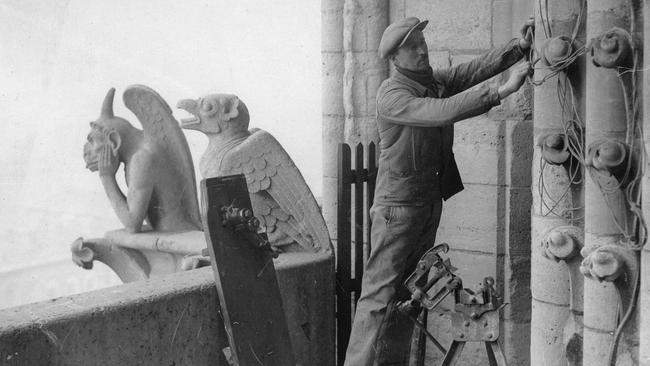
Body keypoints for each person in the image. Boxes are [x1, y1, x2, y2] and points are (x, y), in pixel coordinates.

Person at [344, 16, 534, 366]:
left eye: (422, 42)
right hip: (397, 211)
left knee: (409, 298)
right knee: (377, 300)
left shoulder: (430, 82)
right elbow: (442, 112)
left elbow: (469, 72)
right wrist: (502, 90)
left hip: (426, 206)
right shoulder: (392, 94)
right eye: (412, 47)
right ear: (395, 58)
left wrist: (515, 50)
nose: (422, 50)